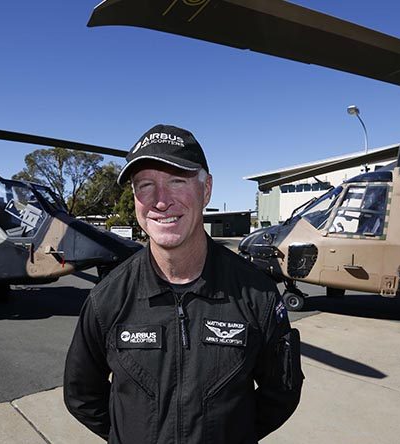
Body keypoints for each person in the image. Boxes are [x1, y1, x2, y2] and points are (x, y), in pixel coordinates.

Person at [63, 124, 303, 443]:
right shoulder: (107, 299)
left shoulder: (257, 294)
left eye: (177, 181)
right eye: (145, 185)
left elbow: (281, 393)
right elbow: (81, 394)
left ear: (206, 190)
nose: (161, 201)